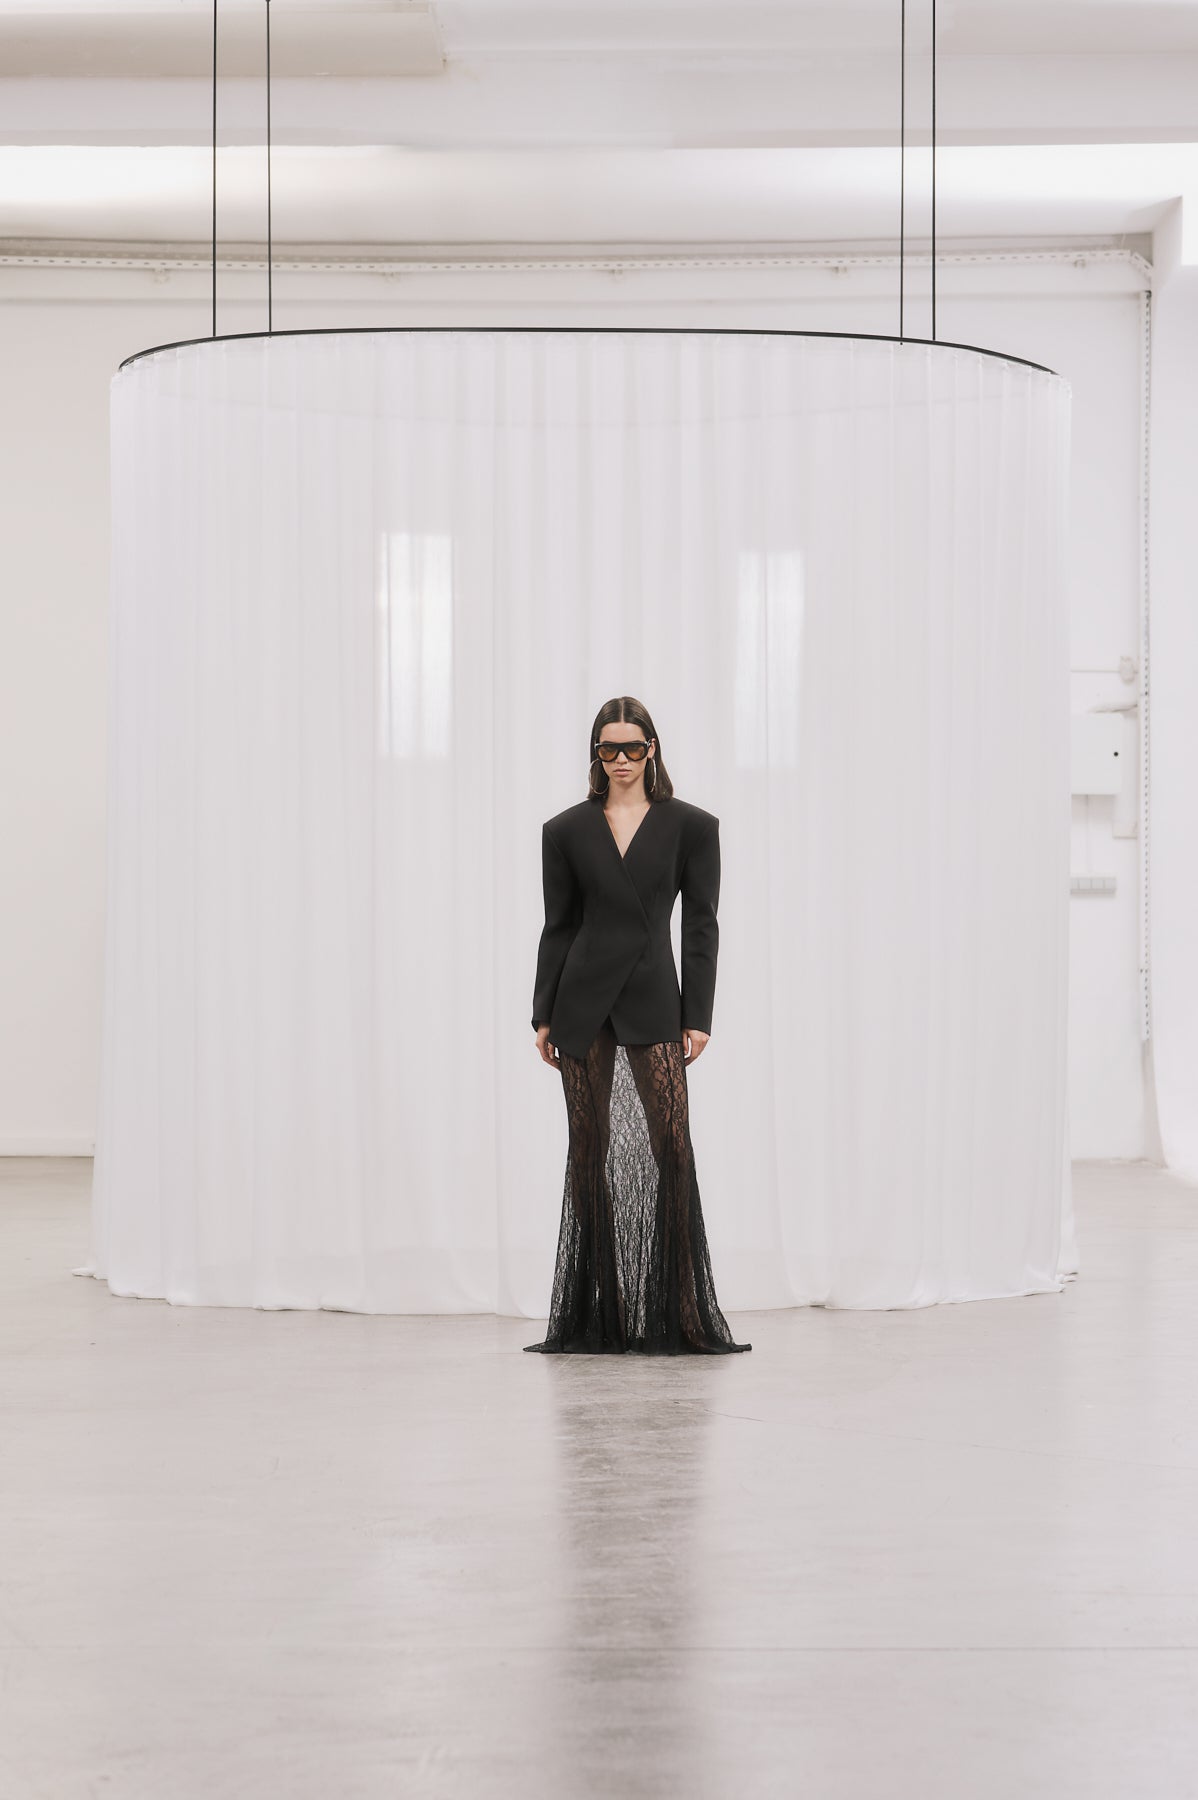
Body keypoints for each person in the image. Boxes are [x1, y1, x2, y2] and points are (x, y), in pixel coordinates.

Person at [523, 697, 751, 1356]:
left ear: (652, 750)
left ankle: (679, 1311)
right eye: (608, 748)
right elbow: (558, 926)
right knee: (587, 1154)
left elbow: (701, 925)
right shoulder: (565, 830)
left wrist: (698, 1015)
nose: (620, 759)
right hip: (581, 1002)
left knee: (673, 1149)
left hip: (654, 996)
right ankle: (601, 1318)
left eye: (632, 747)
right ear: (595, 754)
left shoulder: (692, 827)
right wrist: (544, 1013)